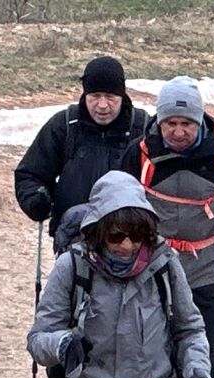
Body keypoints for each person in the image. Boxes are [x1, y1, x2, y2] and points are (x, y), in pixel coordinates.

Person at [120, 76, 214, 378]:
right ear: (159, 120)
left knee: (211, 370)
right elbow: (113, 210)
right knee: (151, 365)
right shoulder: (139, 154)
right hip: (152, 272)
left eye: (187, 123)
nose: (179, 132)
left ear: (200, 121)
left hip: (206, 273)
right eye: (171, 122)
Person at [29, 171, 213, 378]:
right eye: (116, 236)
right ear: (99, 231)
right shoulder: (73, 266)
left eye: (136, 236)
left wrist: (198, 373)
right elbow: (38, 339)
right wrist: (62, 345)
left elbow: (189, 330)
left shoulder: (164, 263)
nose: (127, 246)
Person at [14, 56, 153, 253]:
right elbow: (30, 173)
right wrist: (36, 199)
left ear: (122, 95)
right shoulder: (65, 125)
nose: (102, 105)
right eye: (95, 96)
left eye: (110, 97)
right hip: (74, 239)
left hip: (130, 242)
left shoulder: (143, 128)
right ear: (85, 94)